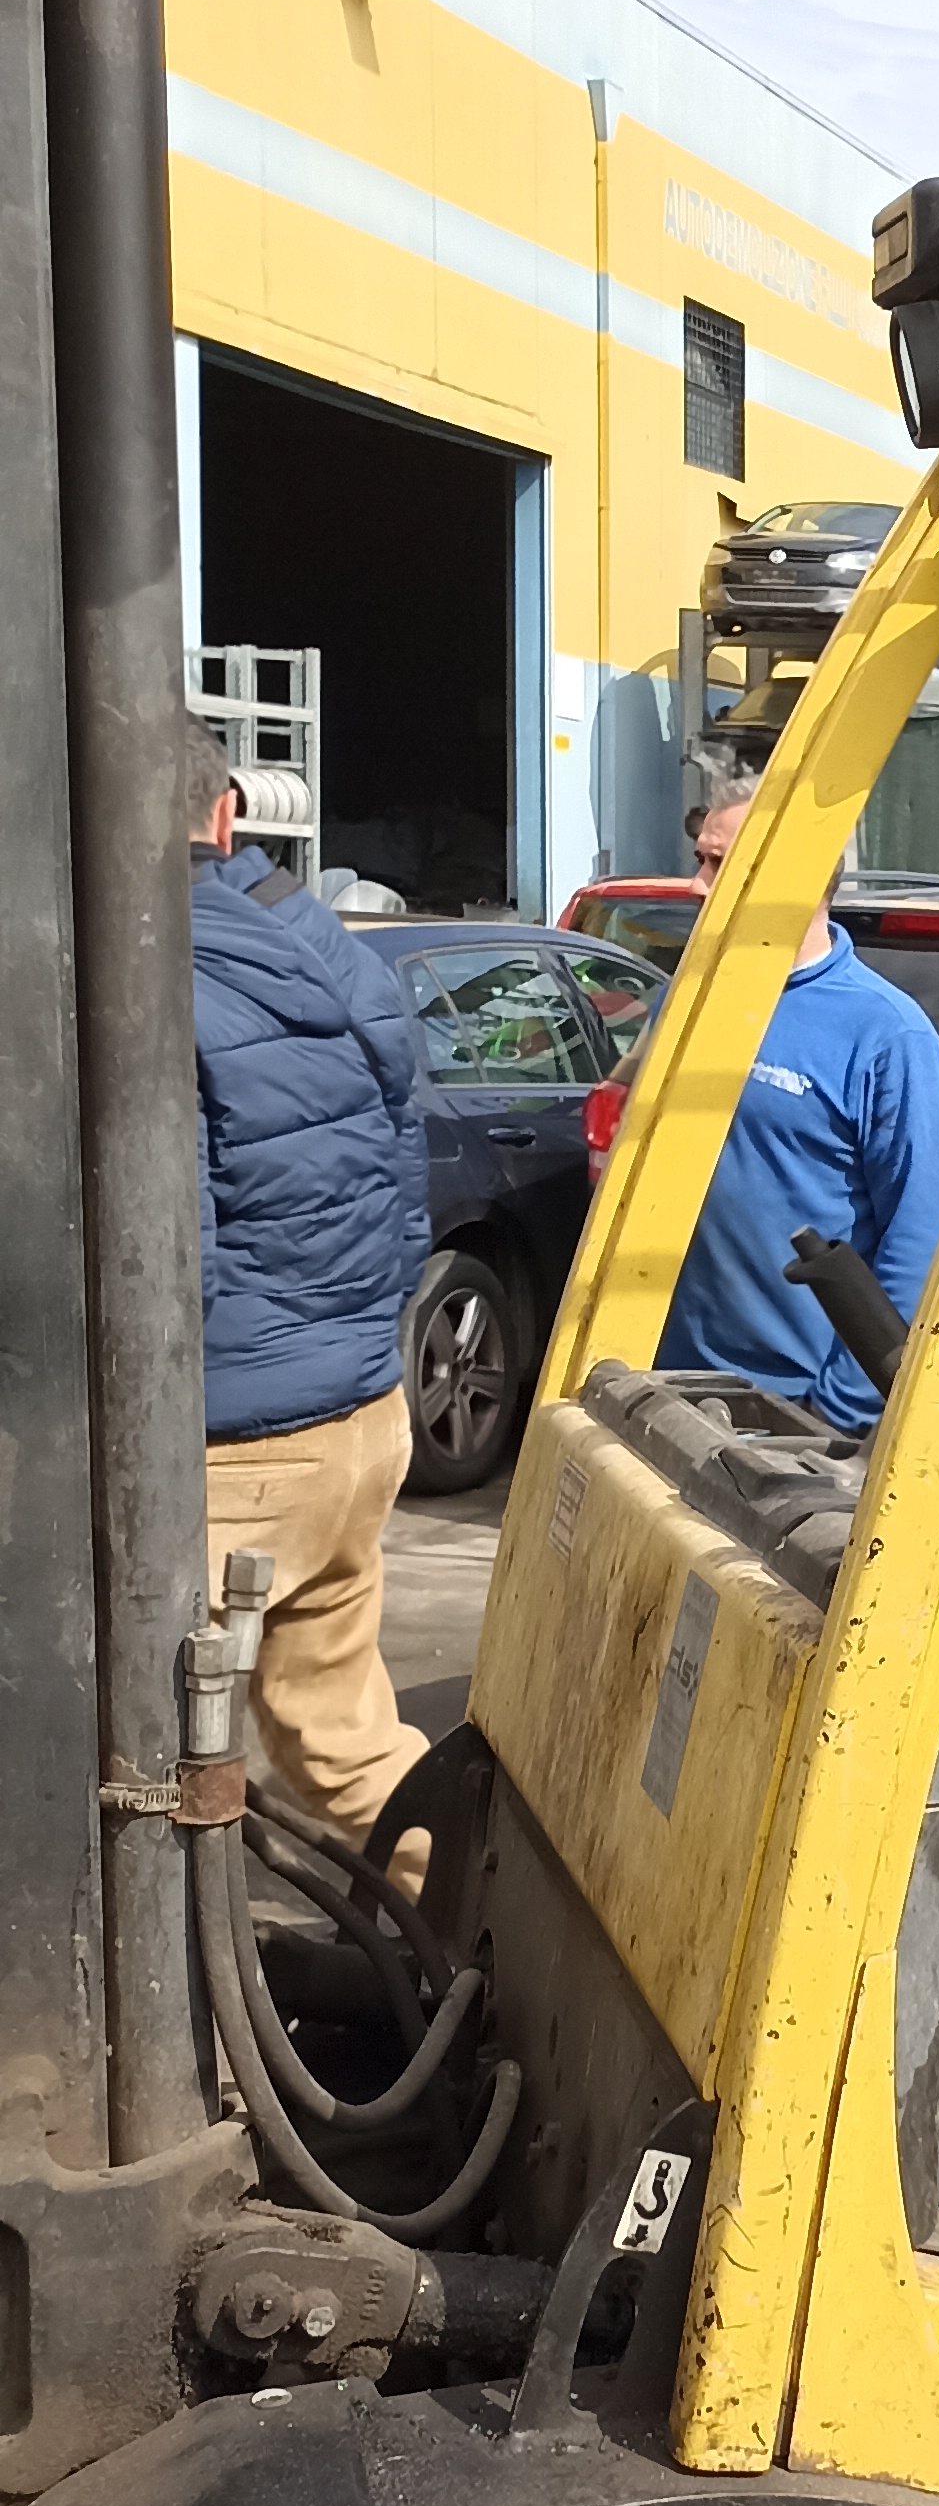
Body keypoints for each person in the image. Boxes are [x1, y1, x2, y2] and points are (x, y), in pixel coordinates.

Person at [188, 716, 438, 1845]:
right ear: (227, 811)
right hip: (358, 1415)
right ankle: (467, 1928)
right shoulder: (326, 946)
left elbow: (165, 1268)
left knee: (116, 1757)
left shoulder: (136, 971)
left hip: (228, 1453)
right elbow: (405, 1172)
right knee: (346, 1744)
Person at [654, 791, 939, 1434]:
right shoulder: (686, 1003)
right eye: (699, 859)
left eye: (720, 864)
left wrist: (840, 1407)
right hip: (667, 1386)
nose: (695, 885)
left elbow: (922, 1234)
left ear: (793, 876)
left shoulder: (886, 1034)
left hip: (793, 1410)